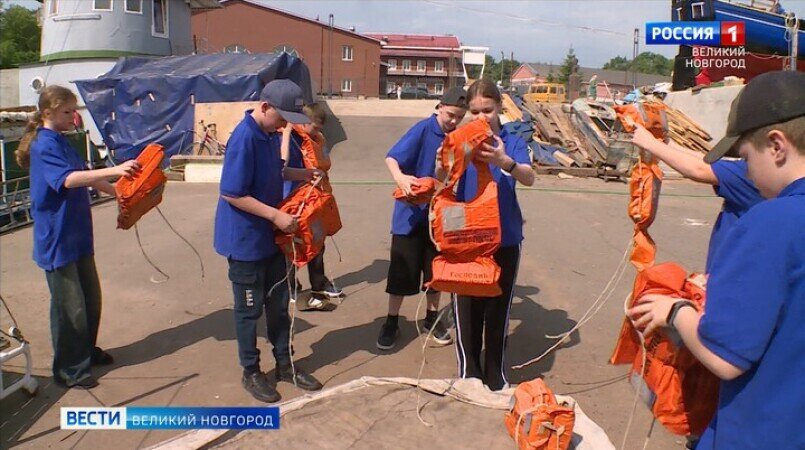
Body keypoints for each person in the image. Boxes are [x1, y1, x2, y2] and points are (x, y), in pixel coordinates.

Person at [628, 71, 805, 450]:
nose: (747, 171)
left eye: (745, 157)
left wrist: (675, 312)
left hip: (765, 430)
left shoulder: (773, 221)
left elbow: (726, 357)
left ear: (777, 146)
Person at [16, 85, 139, 389]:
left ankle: (85, 350)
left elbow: (85, 175)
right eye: (67, 112)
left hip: (77, 234)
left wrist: (121, 194)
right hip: (57, 238)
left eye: (74, 111)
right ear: (48, 113)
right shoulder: (44, 145)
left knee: (90, 299)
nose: (73, 117)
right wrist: (116, 172)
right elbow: (69, 180)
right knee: (69, 307)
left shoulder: (62, 140)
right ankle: (69, 369)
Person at [214, 79, 323, 403]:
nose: (285, 125)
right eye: (282, 118)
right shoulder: (244, 138)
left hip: (271, 239)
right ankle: (251, 371)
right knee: (248, 312)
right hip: (246, 241)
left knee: (279, 305)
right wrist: (275, 216)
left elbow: (278, 170)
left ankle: (285, 365)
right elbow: (232, 193)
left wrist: (304, 174)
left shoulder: (270, 134)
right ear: (265, 107)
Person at [449, 79, 535, 391]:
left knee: (498, 308)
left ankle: (495, 371)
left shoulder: (512, 140)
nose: (481, 117)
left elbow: (529, 178)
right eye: (475, 111)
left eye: (487, 109)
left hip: (505, 237)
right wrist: (448, 160)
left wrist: (504, 161)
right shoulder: (460, 139)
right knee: (467, 307)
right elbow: (442, 177)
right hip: (466, 238)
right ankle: (469, 371)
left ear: (499, 107)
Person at [376, 87, 468, 350]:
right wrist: (401, 178)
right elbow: (392, 157)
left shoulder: (460, 138)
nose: (453, 121)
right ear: (440, 107)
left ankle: (431, 318)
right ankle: (391, 321)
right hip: (411, 214)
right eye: (450, 115)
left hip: (444, 214)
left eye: (459, 117)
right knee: (401, 271)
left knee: (437, 271)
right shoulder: (423, 129)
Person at [631, 124, 764, 272]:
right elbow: (708, 162)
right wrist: (666, 144)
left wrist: (650, 143)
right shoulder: (760, 169)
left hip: (734, 273)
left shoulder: (754, 173)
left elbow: (699, 169)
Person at [281, 102, 344, 310]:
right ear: (304, 122)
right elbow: (282, 166)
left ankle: (319, 283)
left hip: (315, 199)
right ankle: (290, 286)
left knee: (317, 240)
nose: (318, 132)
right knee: (293, 243)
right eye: (315, 127)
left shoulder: (317, 139)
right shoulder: (291, 138)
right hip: (294, 199)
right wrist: (287, 134)